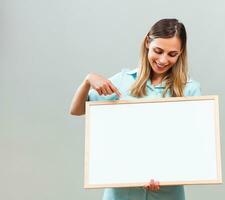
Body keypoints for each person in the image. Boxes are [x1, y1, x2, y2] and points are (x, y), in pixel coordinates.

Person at [69, 18, 201, 200]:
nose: (163, 60)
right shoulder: (122, 82)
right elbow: (76, 110)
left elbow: (194, 144)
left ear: (181, 53)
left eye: (172, 54)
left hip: (167, 193)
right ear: (148, 42)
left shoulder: (189, 89)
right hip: (122, 192)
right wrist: (88, 80)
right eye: (158, 51)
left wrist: (167, 172)